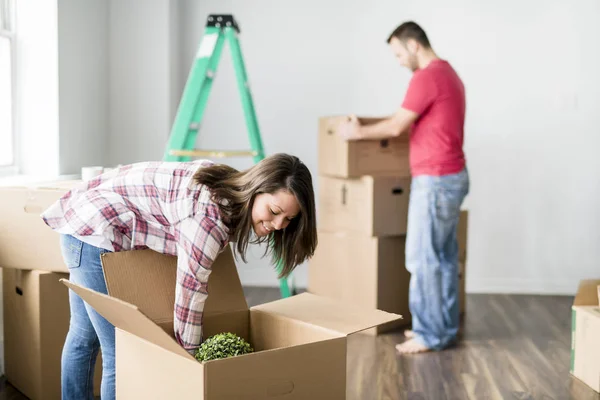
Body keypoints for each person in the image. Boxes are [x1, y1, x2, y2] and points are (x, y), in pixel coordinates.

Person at [41, 153, 318, 400]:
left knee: (84, 335)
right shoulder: (208, 219)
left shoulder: (228, 185)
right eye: (274, 211)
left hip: (88, 219)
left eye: (289, 220)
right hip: (90, 232)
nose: (279, 225)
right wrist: (192, 362)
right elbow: (189, 295)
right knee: (120, 351)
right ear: (257, 189)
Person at [338, 21, 469, 354]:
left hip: (436, 179)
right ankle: (443, 328)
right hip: (450, 175)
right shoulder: (448, 73)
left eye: (398, 52)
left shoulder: (427, 76)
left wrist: (358, 133)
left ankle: (429, 333)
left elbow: (397, 125)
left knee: (425, 258)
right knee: (443, 258)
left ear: (414, 45)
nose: (397, 60)